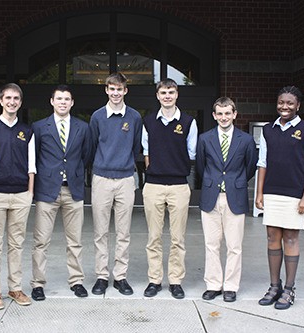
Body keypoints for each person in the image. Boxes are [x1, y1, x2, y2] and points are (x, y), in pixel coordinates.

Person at [255, 86, 304, 310]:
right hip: (272, 192)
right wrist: (259, 193)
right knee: (272, 237)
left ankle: (289, 289)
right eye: (281, 102)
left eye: (290, 103)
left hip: (295, 194)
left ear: (298, 106)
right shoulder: (268, 130)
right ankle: (275, 286)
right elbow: (262, 163)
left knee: (291, 238)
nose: (285, 106)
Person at [0, 83, 36, 310]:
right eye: (8, 98)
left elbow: (32, 165)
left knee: (17, 244)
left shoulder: (27, 131)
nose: (12, 102)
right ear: (1, 101)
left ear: (20, 102)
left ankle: (15, 288)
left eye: (16, 99)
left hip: (21, 195)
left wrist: (30, 193)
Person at [30, 85, 91, 300]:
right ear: (52, 101)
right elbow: (35, 158)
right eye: (59, 98)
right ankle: (38, 283)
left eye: (67, 99)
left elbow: (86, 155)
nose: (63, 102)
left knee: (75, 240)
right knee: (41, 241)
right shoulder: (39, 127)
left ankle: (76, 281)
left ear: (72, 103)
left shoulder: (83, 128)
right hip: (47, 191)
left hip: (72, 190)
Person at [196, 97, 257, 303]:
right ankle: (213, 284)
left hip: (235, 196)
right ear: (214, 115)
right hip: (211, 196)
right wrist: (213, 182)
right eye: (220, 114)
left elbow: (250, 167)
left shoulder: (246, 140)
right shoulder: (205, 138)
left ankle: (230, 286)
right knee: (211, 244)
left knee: (234, 245)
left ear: (234, 114)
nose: (224, 117)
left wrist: (235, 182)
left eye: (227, 113)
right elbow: (201, 167)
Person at [141, 78, 198, 299]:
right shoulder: (148, 122)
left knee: (178, 238)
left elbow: (191, 153)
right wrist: (155, 168)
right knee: (153, 237)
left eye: (171, 92)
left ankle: (175, 280)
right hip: (153, 185)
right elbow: (146, 151)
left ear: (177, 95)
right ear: (157, 95)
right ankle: (154, 280)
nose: (167, 96)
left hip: (179, 186)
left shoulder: (188, 121)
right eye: (163, 92)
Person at [89, 72, 142, 296]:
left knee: (123, 232)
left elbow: (136, 147)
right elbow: (91, 146)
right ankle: (102, 276)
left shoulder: (135, 117)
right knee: (100, 232)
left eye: (119, 89)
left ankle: (120, 276)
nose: (116, 93)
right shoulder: (97, 116)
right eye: (112, 89)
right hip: (101, 178)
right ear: (106, 90)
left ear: (125, 91)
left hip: (125, 179)